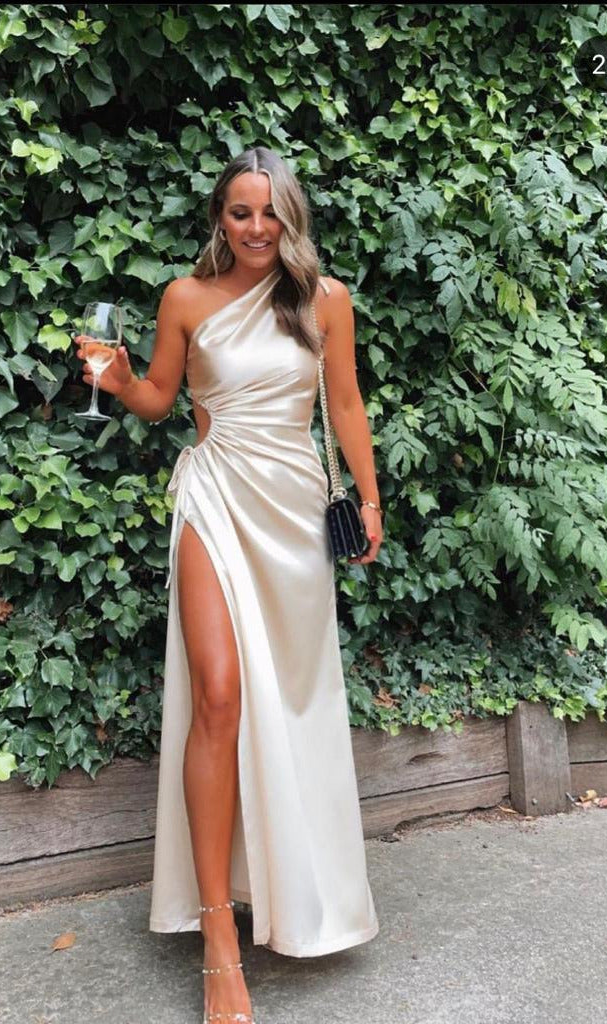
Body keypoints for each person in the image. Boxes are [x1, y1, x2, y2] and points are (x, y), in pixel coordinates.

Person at [76, 146, 383, 1024]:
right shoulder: (185, 297)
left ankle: (291, 889)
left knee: (290, 701)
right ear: (220, 216)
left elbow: (345, 403)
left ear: (291, 216)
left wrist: (369, 501)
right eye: (240, 212)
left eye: (269, 211)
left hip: (293, 515)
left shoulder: (326, 301)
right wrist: (117, 379)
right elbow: (159, 399)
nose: (256, 227)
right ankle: (217, 934)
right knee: (217, 694)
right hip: (213, 500)